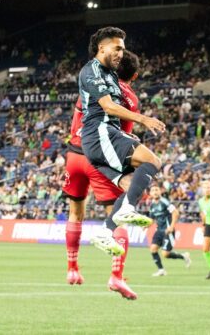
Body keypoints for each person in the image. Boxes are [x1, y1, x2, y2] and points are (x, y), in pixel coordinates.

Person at [78, 27, 166, 256]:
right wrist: (143, 119)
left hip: (102, 137)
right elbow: (107, 107)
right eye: (117, 48)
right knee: (153, 161)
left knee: (131, 187)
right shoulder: (92, 71)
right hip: (99, 134)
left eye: (123, 49)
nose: (120, 53)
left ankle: (105, 232)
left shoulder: (109, 74)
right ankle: (126, 210)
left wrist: (127, 135)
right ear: (102, 48)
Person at [63, 51, 141, 299]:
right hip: (98, 158)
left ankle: (72, 270)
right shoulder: (128, 99)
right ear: (135, 75)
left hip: (74, 155)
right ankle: (116, 276)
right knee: (116, 217)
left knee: (75, 213)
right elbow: (120, 140)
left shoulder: (90, 83)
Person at [148, 185, 191, 276]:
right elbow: (152, 219)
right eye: (153, 190)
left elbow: (175, 213)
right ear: (150, 193)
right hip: (159, 230)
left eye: (157, 189)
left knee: (165, 254)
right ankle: (161, 270)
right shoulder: (152, 205)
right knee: (153, 249)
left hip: (167, 230)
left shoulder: (165, 202)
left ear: (160, 191)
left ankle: (184, 256)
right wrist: (145, 225)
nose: (155, 192)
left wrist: (171, 227)